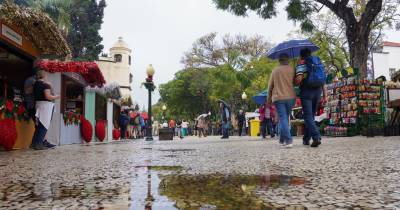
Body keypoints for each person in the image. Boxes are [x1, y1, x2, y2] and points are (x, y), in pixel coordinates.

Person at [295, 49, 326, 147]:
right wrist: (325, 95)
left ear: (301, 56)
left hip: (306, 91)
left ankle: (316, 137)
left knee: (308, 116)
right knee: (311, 116)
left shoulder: (301, 64)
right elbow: (323, 80)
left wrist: (295, 80)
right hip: (318, 91)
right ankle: (306, 139)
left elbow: (299, 80)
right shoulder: (317, 63)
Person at [267, 53, 296, 148]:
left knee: (283, 118)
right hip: (291, 97)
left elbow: (270, 87)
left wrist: (268, 100)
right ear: (288, 60)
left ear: (279, 60)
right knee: (285, 118)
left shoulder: (275, 71)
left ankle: (288, 140)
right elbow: (295, 82)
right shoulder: (292, 69)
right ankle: (282, 139)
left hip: (278, 98)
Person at [31, 70, 59, 150]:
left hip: (38, 105)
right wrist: (56, 97)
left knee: (39, 125)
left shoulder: (35, 84)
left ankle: (34, 143)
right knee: (44, 125)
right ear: (45, 76)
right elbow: (48, 96)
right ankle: (39, 144)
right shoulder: (45, 85)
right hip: (45, 106)